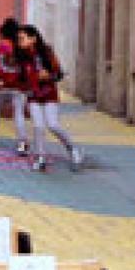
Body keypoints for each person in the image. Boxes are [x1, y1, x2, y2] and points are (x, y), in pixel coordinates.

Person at [15, 24, 81, 173]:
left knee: (53, 125)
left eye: (22, 38)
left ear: (33, 38)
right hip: (33, 96)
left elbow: (59, 74)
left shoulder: (46, 52)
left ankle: (72, 149)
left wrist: (49, 76)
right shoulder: (21, 57)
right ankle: (40, 158)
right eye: (18, 39)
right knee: (38, 126)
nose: (19, 42)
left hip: (48, 94)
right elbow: (19, 79)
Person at [0, 17, 27, 154]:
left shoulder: (1, 46)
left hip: (0, 85)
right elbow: (26, 68)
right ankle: (22, 143)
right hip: (18, 86)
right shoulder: (21, 47)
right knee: (18, 114)